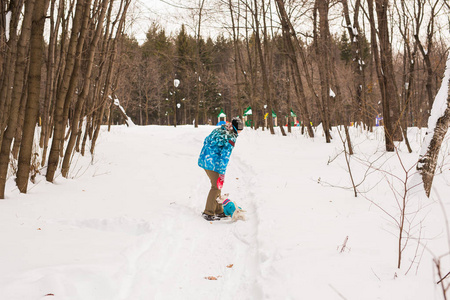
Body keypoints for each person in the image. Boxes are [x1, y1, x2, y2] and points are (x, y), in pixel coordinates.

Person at [198, 117, 244, 221]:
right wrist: (222, 173)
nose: (241, 131)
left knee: (217, 186)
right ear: (235, 128)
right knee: (216, 186)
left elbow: (206, 140)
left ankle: (218, 210)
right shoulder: (231, 138)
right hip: (212, 164)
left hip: (204, 159)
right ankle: (208, 212)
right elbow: (225, 156)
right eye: (240, 129)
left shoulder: (219, 129)